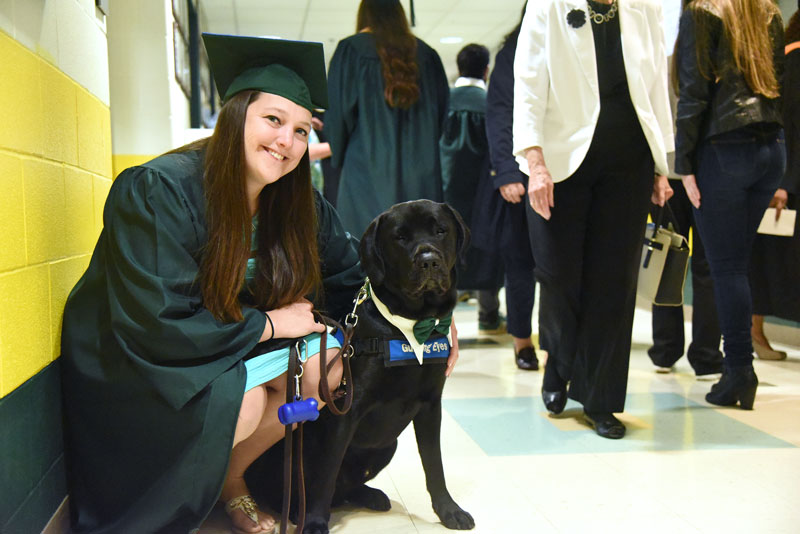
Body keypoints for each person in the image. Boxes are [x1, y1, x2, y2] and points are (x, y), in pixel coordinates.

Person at [61, 34, 366, 534]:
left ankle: (232, 477)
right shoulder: (160, 190)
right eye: (273, 120)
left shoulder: (297, 206)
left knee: (326, 367)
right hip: (138, 353)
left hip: (224, 339)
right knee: (241, 402)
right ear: (236, 115)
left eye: (301, 130)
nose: (286, 142)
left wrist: (431, 325)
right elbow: (157, 319)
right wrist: (269, 324)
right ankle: (190, 496)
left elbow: (352, 276)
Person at [514, 0, 674, 438]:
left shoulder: (645, 7)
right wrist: (535, 160)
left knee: (614, 283)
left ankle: (599, 397)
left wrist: (662, 163)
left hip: (630, 158)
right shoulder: (549, 4)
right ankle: (557, 366)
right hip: (562, 162)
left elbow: (657, 82)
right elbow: (528, 76)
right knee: (561, 277)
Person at [674, 0, 785, 410]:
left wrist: (682, 164)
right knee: (736, 265)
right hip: (772, 149)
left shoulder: (702, 11)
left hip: (724, 150)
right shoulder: (768, 11)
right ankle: (739, 370)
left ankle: (739, 372)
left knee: (727, 268)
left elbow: (694, 91)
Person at [325, 0, 450, 238]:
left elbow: (337, 118)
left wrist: (339, 155)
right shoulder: (427, 55)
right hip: (421, 176)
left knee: (368, 252)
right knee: (419, 252)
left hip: (365, 174)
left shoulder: (351, 50)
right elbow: (442, 119)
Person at [648, 34, 723, 378]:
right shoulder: (718, 70)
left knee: (665, 261)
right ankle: (706, 355)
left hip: (667, 175)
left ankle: (665, 350)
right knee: (708, 268)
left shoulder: (661, 66)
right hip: (707, 175)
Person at [484, 5, 542, 371]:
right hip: (521, 173)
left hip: (569, 173)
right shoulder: (513, 52)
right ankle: (523, 340)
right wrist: (506, 170)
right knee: (521, 263)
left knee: (560, 268)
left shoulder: (571, 42)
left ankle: (556, 338)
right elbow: (500, 111)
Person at [749, 2, 800, 360]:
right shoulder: (795, 60)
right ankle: (753, 334)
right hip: (789, 178)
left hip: (787, 174)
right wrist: (782, 181)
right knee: (770, 261)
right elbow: (789, 122)